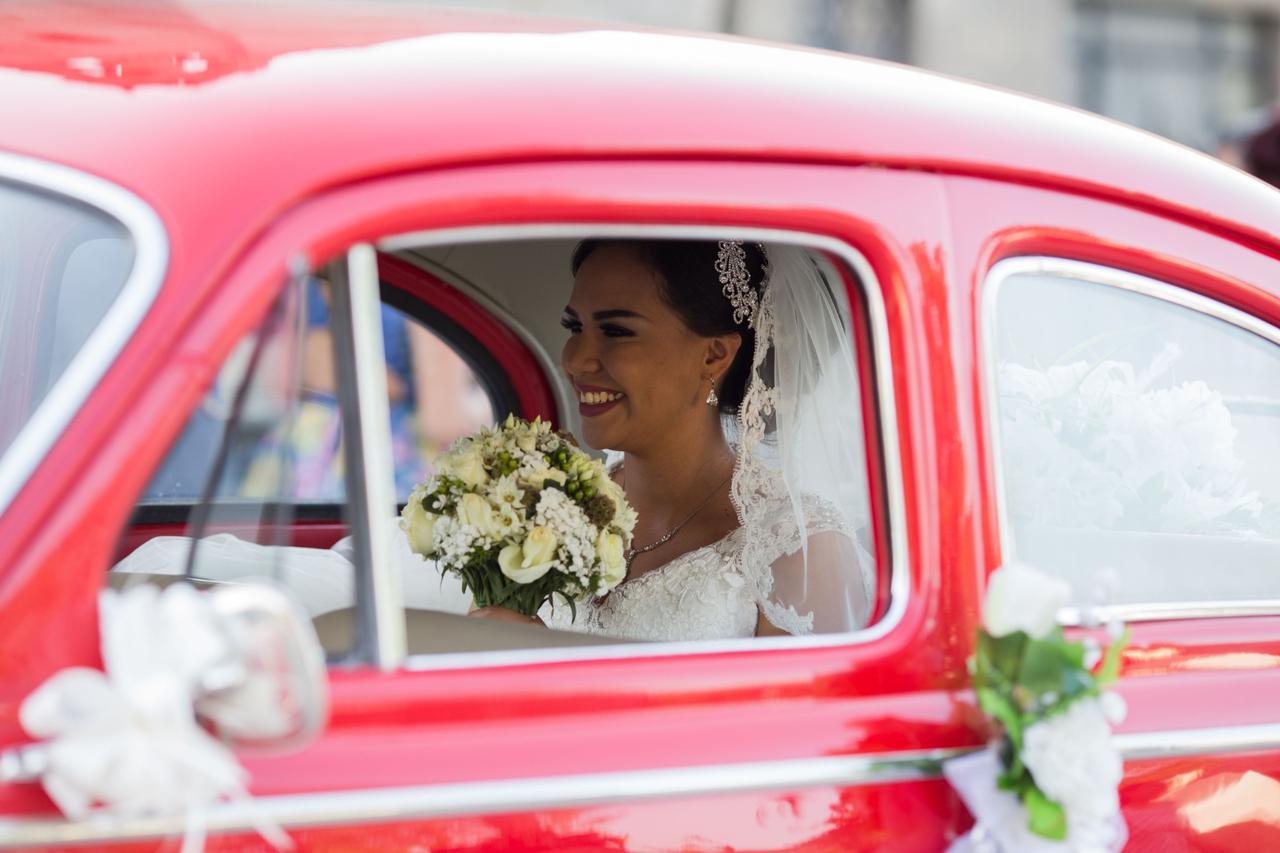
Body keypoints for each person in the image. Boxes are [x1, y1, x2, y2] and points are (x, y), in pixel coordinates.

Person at [471, 239, 875, 640]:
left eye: (616, 331)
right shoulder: (538, 504)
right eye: (574, 327)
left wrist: (550, 671)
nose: (577, 359)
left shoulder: (796, 547)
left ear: (714, 355)